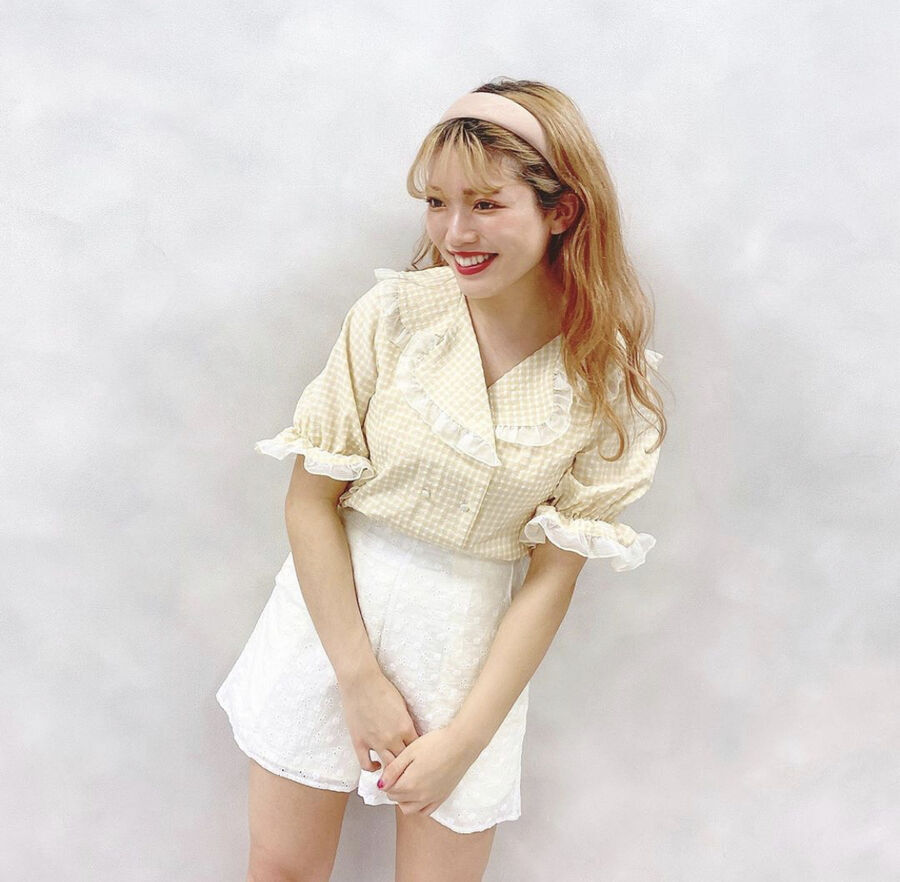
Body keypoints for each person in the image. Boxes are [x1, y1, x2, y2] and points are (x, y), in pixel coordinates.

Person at [216, 77, 667, 882]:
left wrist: (465, 739)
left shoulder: (604, 377)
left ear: (561, 210)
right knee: (282, 870)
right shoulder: (394, 317)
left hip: (468, 657)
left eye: (486, 204)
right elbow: (310, 504)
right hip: (329, 625)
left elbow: (552, 578)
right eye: (436, 202)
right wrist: (357, 678)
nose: (456, 232)